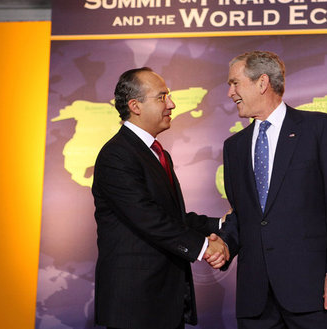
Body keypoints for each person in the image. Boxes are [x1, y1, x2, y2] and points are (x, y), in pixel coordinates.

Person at [212, 51, 327, 328]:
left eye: (235, 83)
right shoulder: (235, 147)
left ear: (262, 82)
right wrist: (224, 245)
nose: (230, 93)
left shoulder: (319, 128)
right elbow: (243, 216)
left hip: (312, 293)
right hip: (255, 300)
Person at [92, 67, 229, 329]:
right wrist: (204, 247)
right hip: (135, 308)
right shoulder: (116, 156)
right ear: (135, 106)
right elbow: (148, 218)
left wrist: (219, 225)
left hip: (163, 302)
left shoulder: (158, 153)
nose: (172, 104)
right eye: (162, 97)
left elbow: (170, 216)